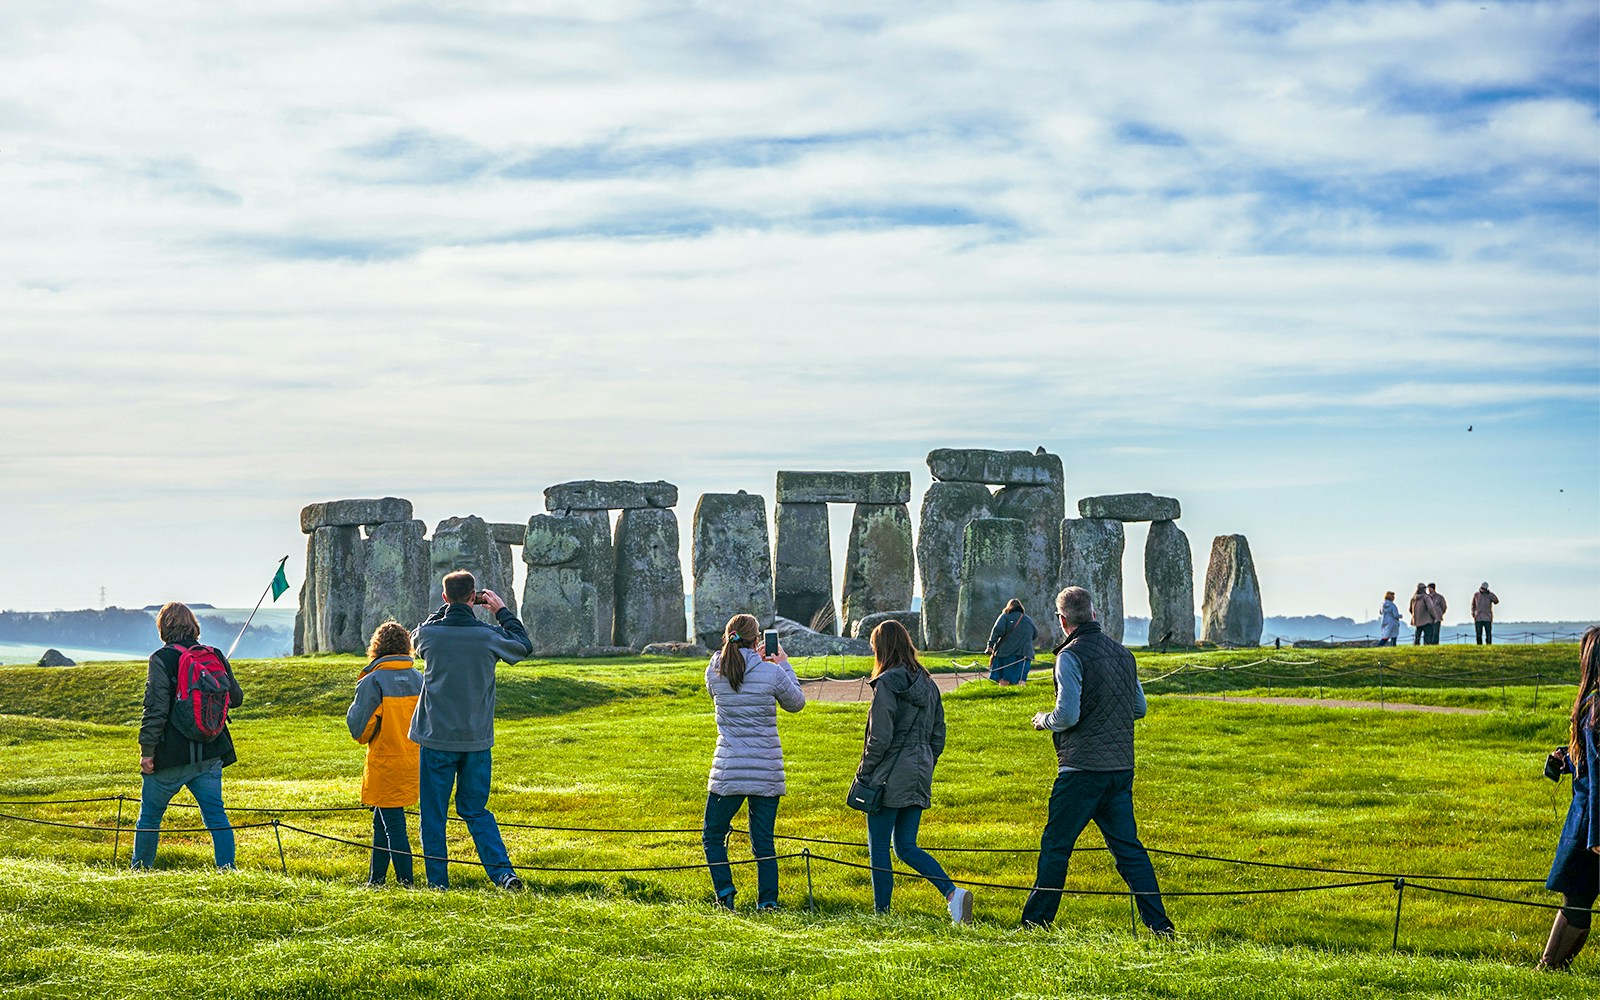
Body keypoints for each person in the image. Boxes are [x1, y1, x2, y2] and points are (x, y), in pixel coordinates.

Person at [1021, 586, 1173, 935]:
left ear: (1062, 621)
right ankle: (1159, 924)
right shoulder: (1123, 654)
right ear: (1092, 613)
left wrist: (1043, 719)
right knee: (1130, 851)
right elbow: (1139, 708)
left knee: (1056, 847)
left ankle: (1035, 924)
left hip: (1080, 770)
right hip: (1119, 768)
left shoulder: (1070, 656)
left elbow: (1067, 714)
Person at [410, 570, 533, 890]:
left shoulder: (430, 636)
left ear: (445, 597)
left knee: (433, 816)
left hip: (435, 737)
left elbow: (415, 634)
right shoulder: (487, 635)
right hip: (476, 740)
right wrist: (501, 610)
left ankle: (438, 883)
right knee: (475, 810)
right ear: (474, 597)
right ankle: (503, 874)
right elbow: (523, 646)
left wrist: (446, 608)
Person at [855, 619, 972, 924]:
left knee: (879, 847)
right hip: (920, 769)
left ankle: (882, 914)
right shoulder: (929, 684)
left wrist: (864, 773)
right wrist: (925, 762)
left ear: (881, 648)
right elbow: (939, 734)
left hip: (888, 773)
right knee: (906, 845)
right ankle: (952, 894)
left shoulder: (886, 684)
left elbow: (879, 738)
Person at [701, 614, 806, 911]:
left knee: (713, 834)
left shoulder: (714, 670)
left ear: (728, 636)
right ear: (757, 639)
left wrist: (747, 660)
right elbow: (796, 703)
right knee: (763, 841)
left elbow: (718, 687)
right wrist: (781, 663)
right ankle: (768, 901)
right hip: (766, 769)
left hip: (729, 768)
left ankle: (725, 892)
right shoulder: (771, 674)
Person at [131, 602, 244, 870]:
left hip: (171, 755)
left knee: (149, 817)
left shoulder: (161, 659)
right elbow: (236, 699)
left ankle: (139, 870)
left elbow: (155, 709)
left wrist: (147, 752)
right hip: (210, 752)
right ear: (193, 625)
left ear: (163, 628)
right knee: (216, 816)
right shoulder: (214, 654)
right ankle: (228, 870)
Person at [1539, 626, 1598, 971]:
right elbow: (1593, 761)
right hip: (1590, 820)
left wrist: (1597, 837)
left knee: (1576, 899)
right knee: (1576, 898)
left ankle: (1549, 968)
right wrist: (1568, 757)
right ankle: (1549, 968)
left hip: (1593, 823)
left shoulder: (1596, 707)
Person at [346, 620, 423, 887]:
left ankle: (406, 883)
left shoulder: (373, 680)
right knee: (382, 823)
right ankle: (375, 880)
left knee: (394, 826)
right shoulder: (419, 679)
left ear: (376, 648)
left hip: (386, 761)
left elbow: (360, 729)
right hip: (415, 760)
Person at [985, 598, 1038, 686]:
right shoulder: (1028, 619)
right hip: (1025, 653)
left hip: (1006, 653)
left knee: (1004, 679)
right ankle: (1020, 696)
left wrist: (990, 645)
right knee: (1021, 679)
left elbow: (997, 630)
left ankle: (1005, 696)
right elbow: (1035, 634)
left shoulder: (1005, 616)